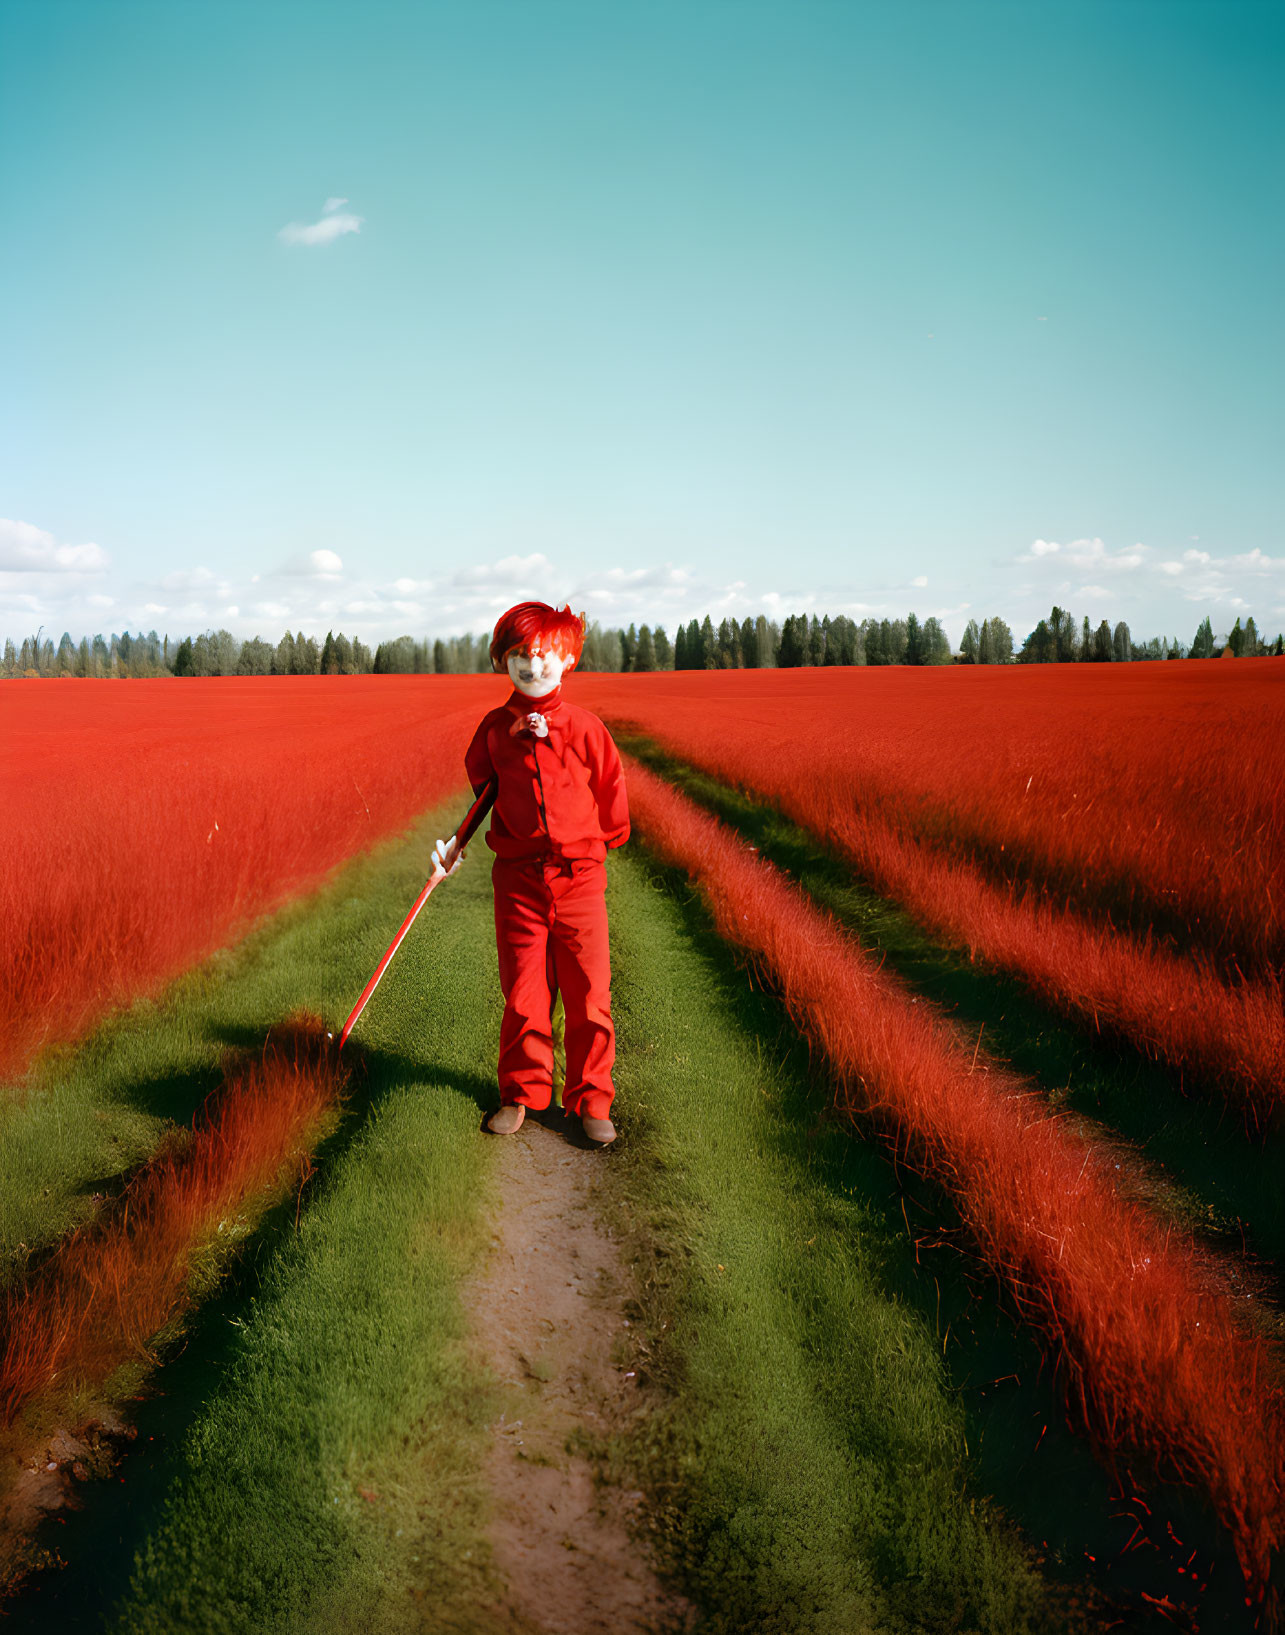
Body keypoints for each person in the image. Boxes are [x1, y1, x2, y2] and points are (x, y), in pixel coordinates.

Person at [433, 602, 629, 1144]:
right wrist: (458, 844)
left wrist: (608, 837)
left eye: (543, 654)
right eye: (519, 655)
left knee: (589, 989)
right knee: (523, 990)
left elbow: (610, 786)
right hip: (518, 879)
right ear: (504, 662)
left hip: (580, 878)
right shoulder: (496, 731)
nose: (532, 664)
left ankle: (591, 1099)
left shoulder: (587, 729)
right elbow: (484, 786)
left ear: (566, 659)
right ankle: (522, 1094)